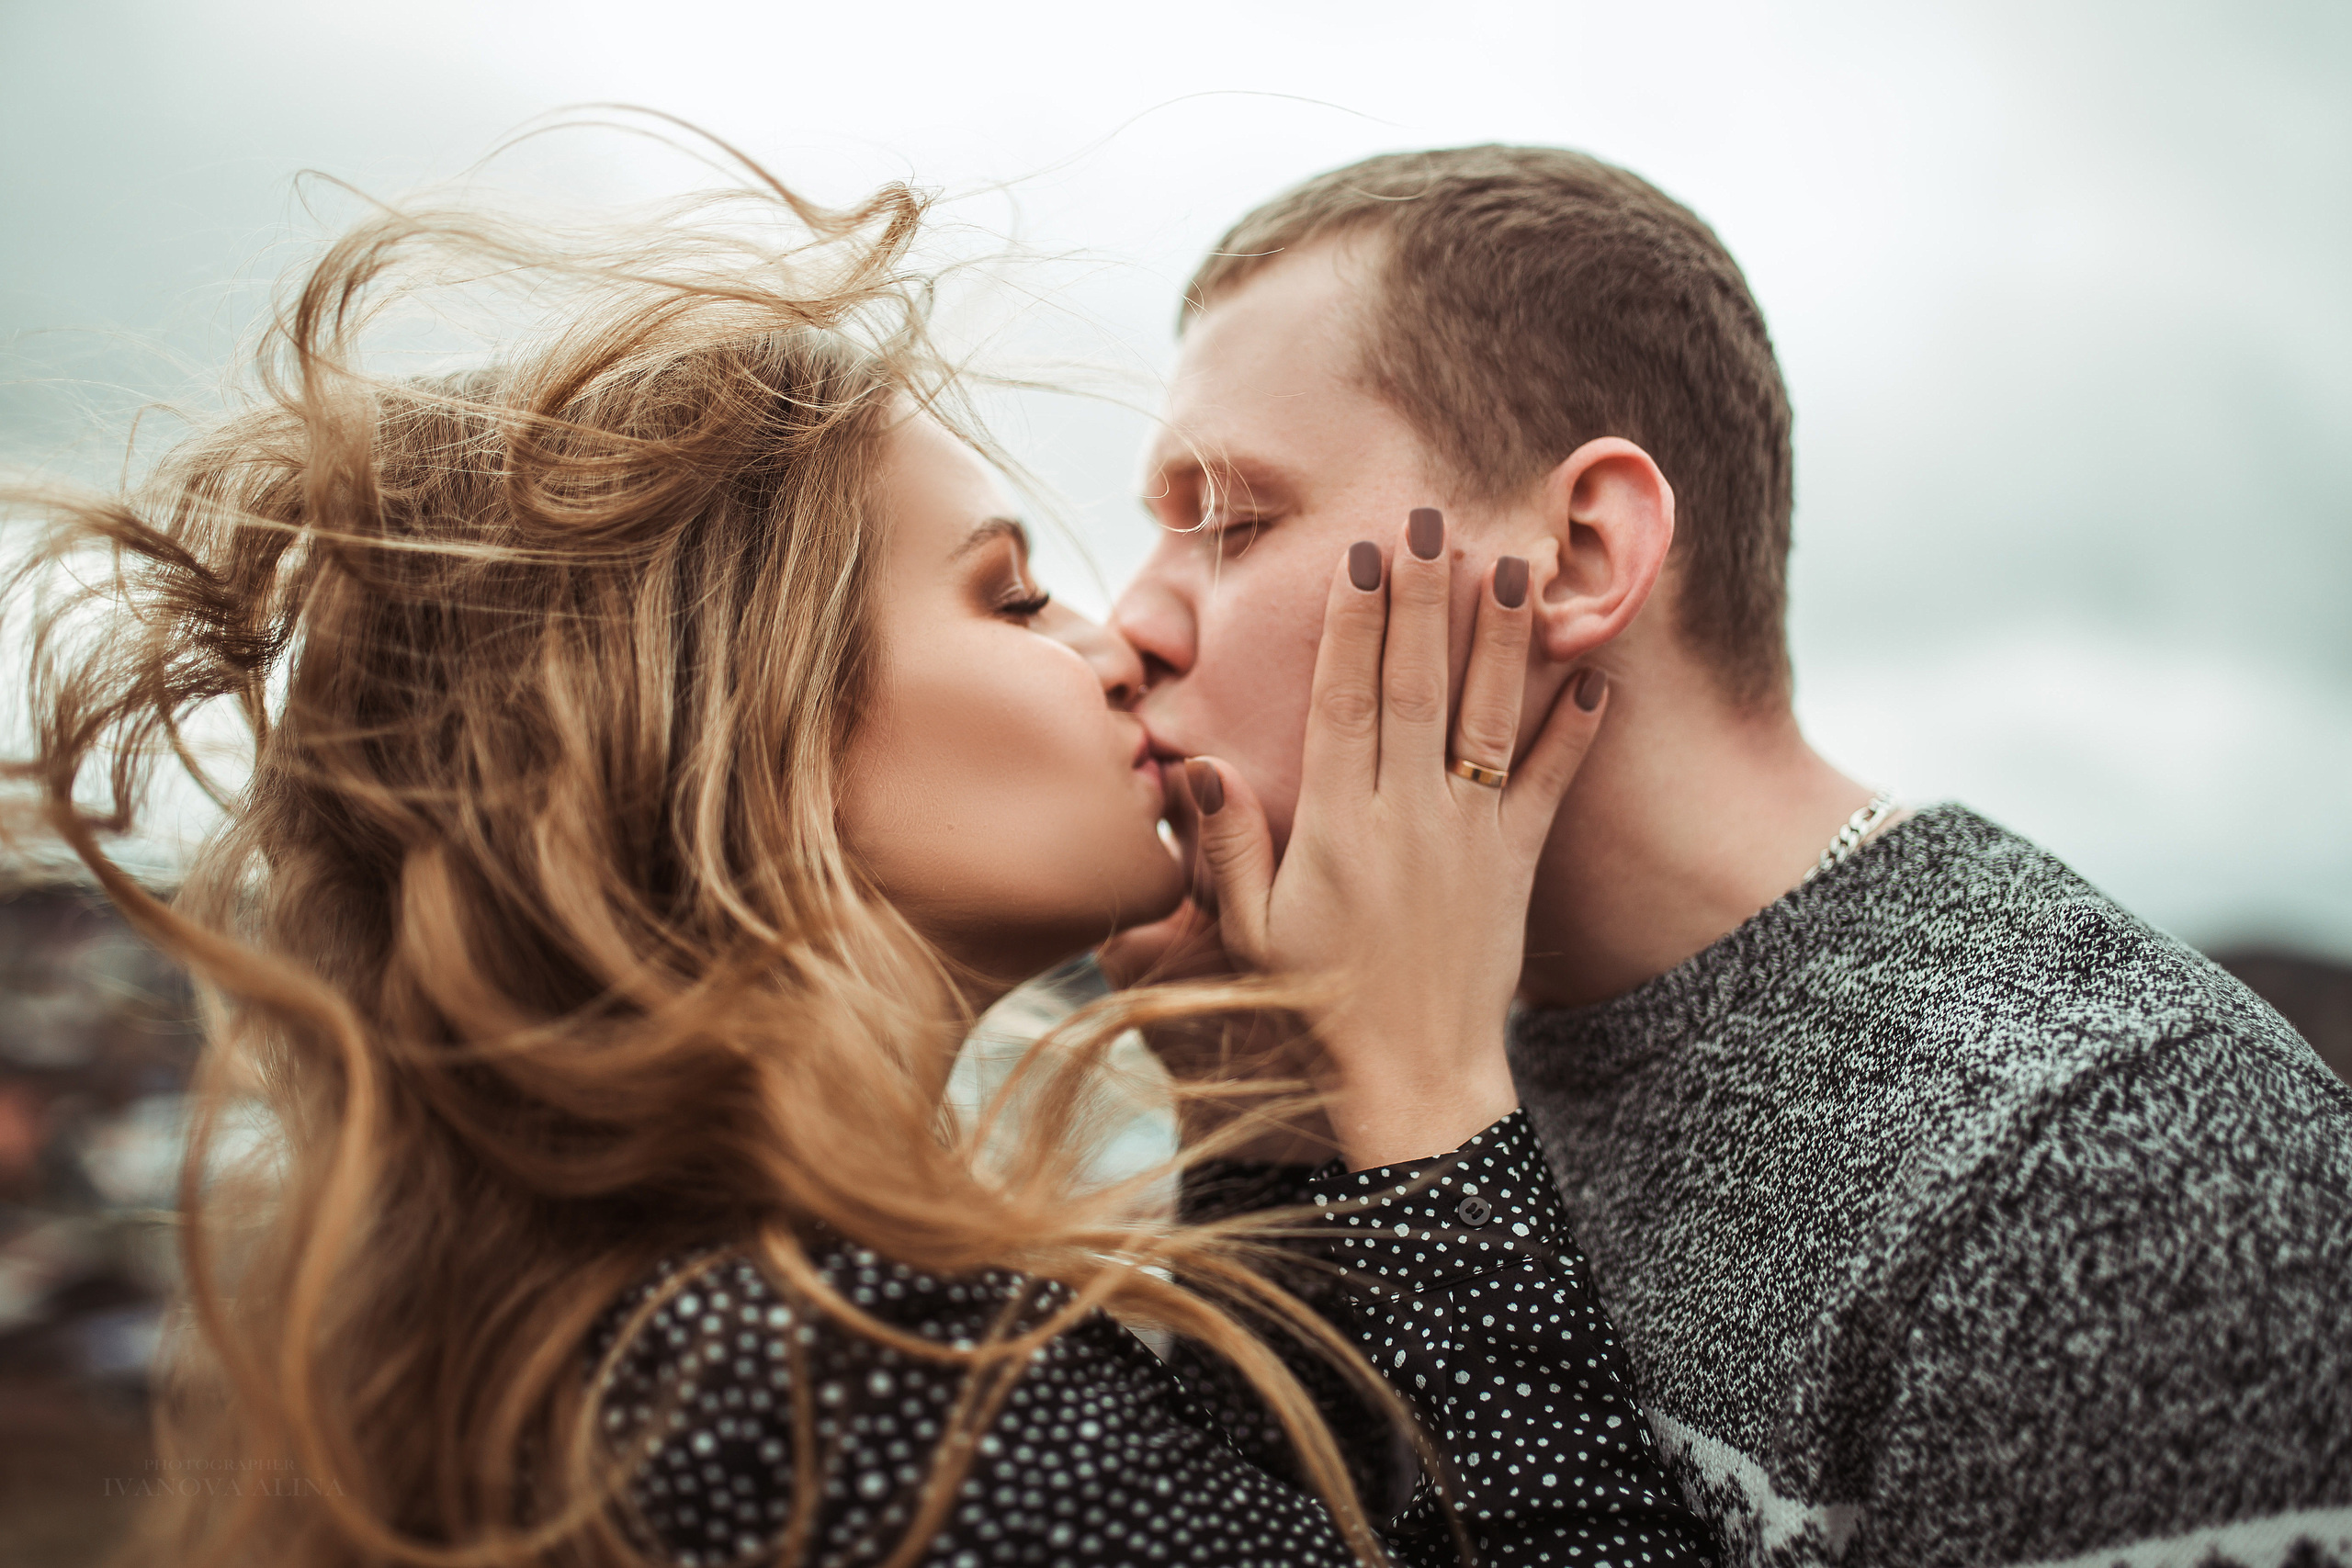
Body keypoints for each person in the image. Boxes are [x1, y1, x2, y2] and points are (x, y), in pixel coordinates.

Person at [2, 162, 1711, 1567]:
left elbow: (1269, 1524)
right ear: (742, 726)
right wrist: (1427, 1087)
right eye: (1008, 593)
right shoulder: (796, 1389)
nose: (1121, 641)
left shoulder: (732, 1321)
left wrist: (1247, 1114)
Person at [1111, 145, 2352, 1568]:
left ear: (1579, 553)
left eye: (1233, 520)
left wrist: (1423, 1117)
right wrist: (1261, 1117)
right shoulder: (1404, 1051)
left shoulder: (2122, 1173)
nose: (1123, 625)